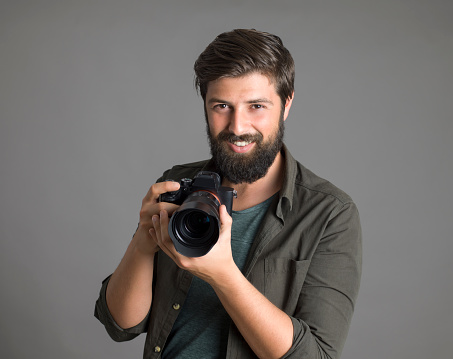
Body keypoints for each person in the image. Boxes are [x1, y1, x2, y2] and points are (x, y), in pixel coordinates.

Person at [95, 28, 362, 359]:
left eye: (256, 106)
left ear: (286, 103)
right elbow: (119, 325)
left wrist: (223, 275)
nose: (238, 126)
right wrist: (142, 245)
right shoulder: (177, 185)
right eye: (222, 105)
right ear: (205, 105)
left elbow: (315, 355)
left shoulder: (328, 214)